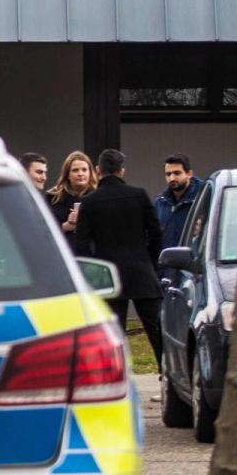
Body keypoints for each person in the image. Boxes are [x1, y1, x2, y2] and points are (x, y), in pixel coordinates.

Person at [74, 149, 165, 362]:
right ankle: (167, 375)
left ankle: (116, 376)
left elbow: (82, 245)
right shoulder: (139, 195)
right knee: (155, 328)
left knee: (112, 333)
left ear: (97, 171)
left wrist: (95, 272)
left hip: (109, 275)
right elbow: (156, 232)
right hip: (141, 270)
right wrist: (149, 260)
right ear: (122, 171)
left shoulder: (89, 202)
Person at [155, 153, 204, 252]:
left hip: (193, 264)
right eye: (168, 174)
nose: (172, 178)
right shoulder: (160, 201)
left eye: (177, 173)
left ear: (189, 174)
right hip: (166, 264)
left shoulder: (204, 197)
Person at [46, 151, 94, 251]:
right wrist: (65, 226)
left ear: (90, 173)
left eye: (84, 170)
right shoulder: (53, 197)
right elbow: (43, 228)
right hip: (62, 251)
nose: (80, 174)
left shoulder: (97, 196)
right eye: (75, 170)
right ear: (67, 174)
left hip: (91, 253)